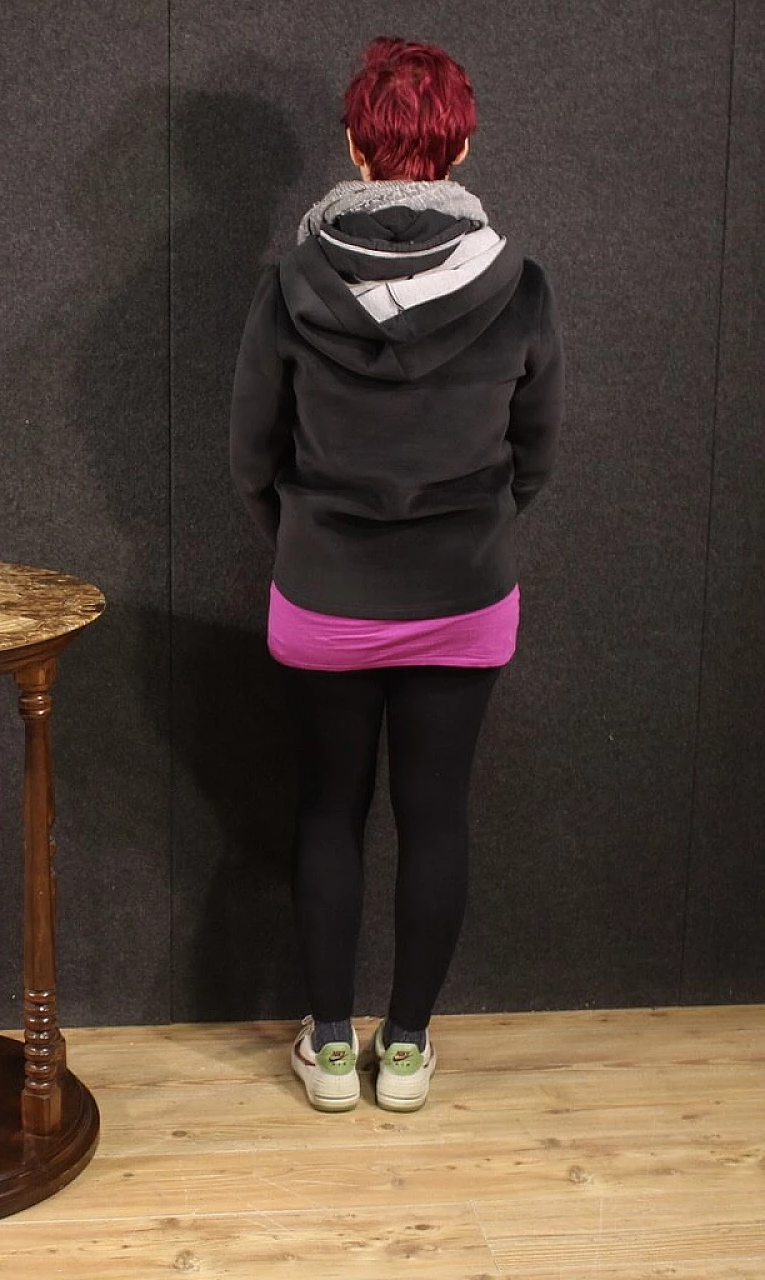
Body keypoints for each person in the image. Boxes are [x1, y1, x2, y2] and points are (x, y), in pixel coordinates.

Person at [230, 36, 563, 1112]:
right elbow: (536, 452)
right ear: (460, 143)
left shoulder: (290, 284)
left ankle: (330, 1048)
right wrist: (469, 531)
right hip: (464, 592)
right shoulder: (517, 287)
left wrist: (305, 539)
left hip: (321, 593)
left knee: (328, 810)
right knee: (437, 815)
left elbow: (251, 455)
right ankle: (407, 1049)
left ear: (352, 146)